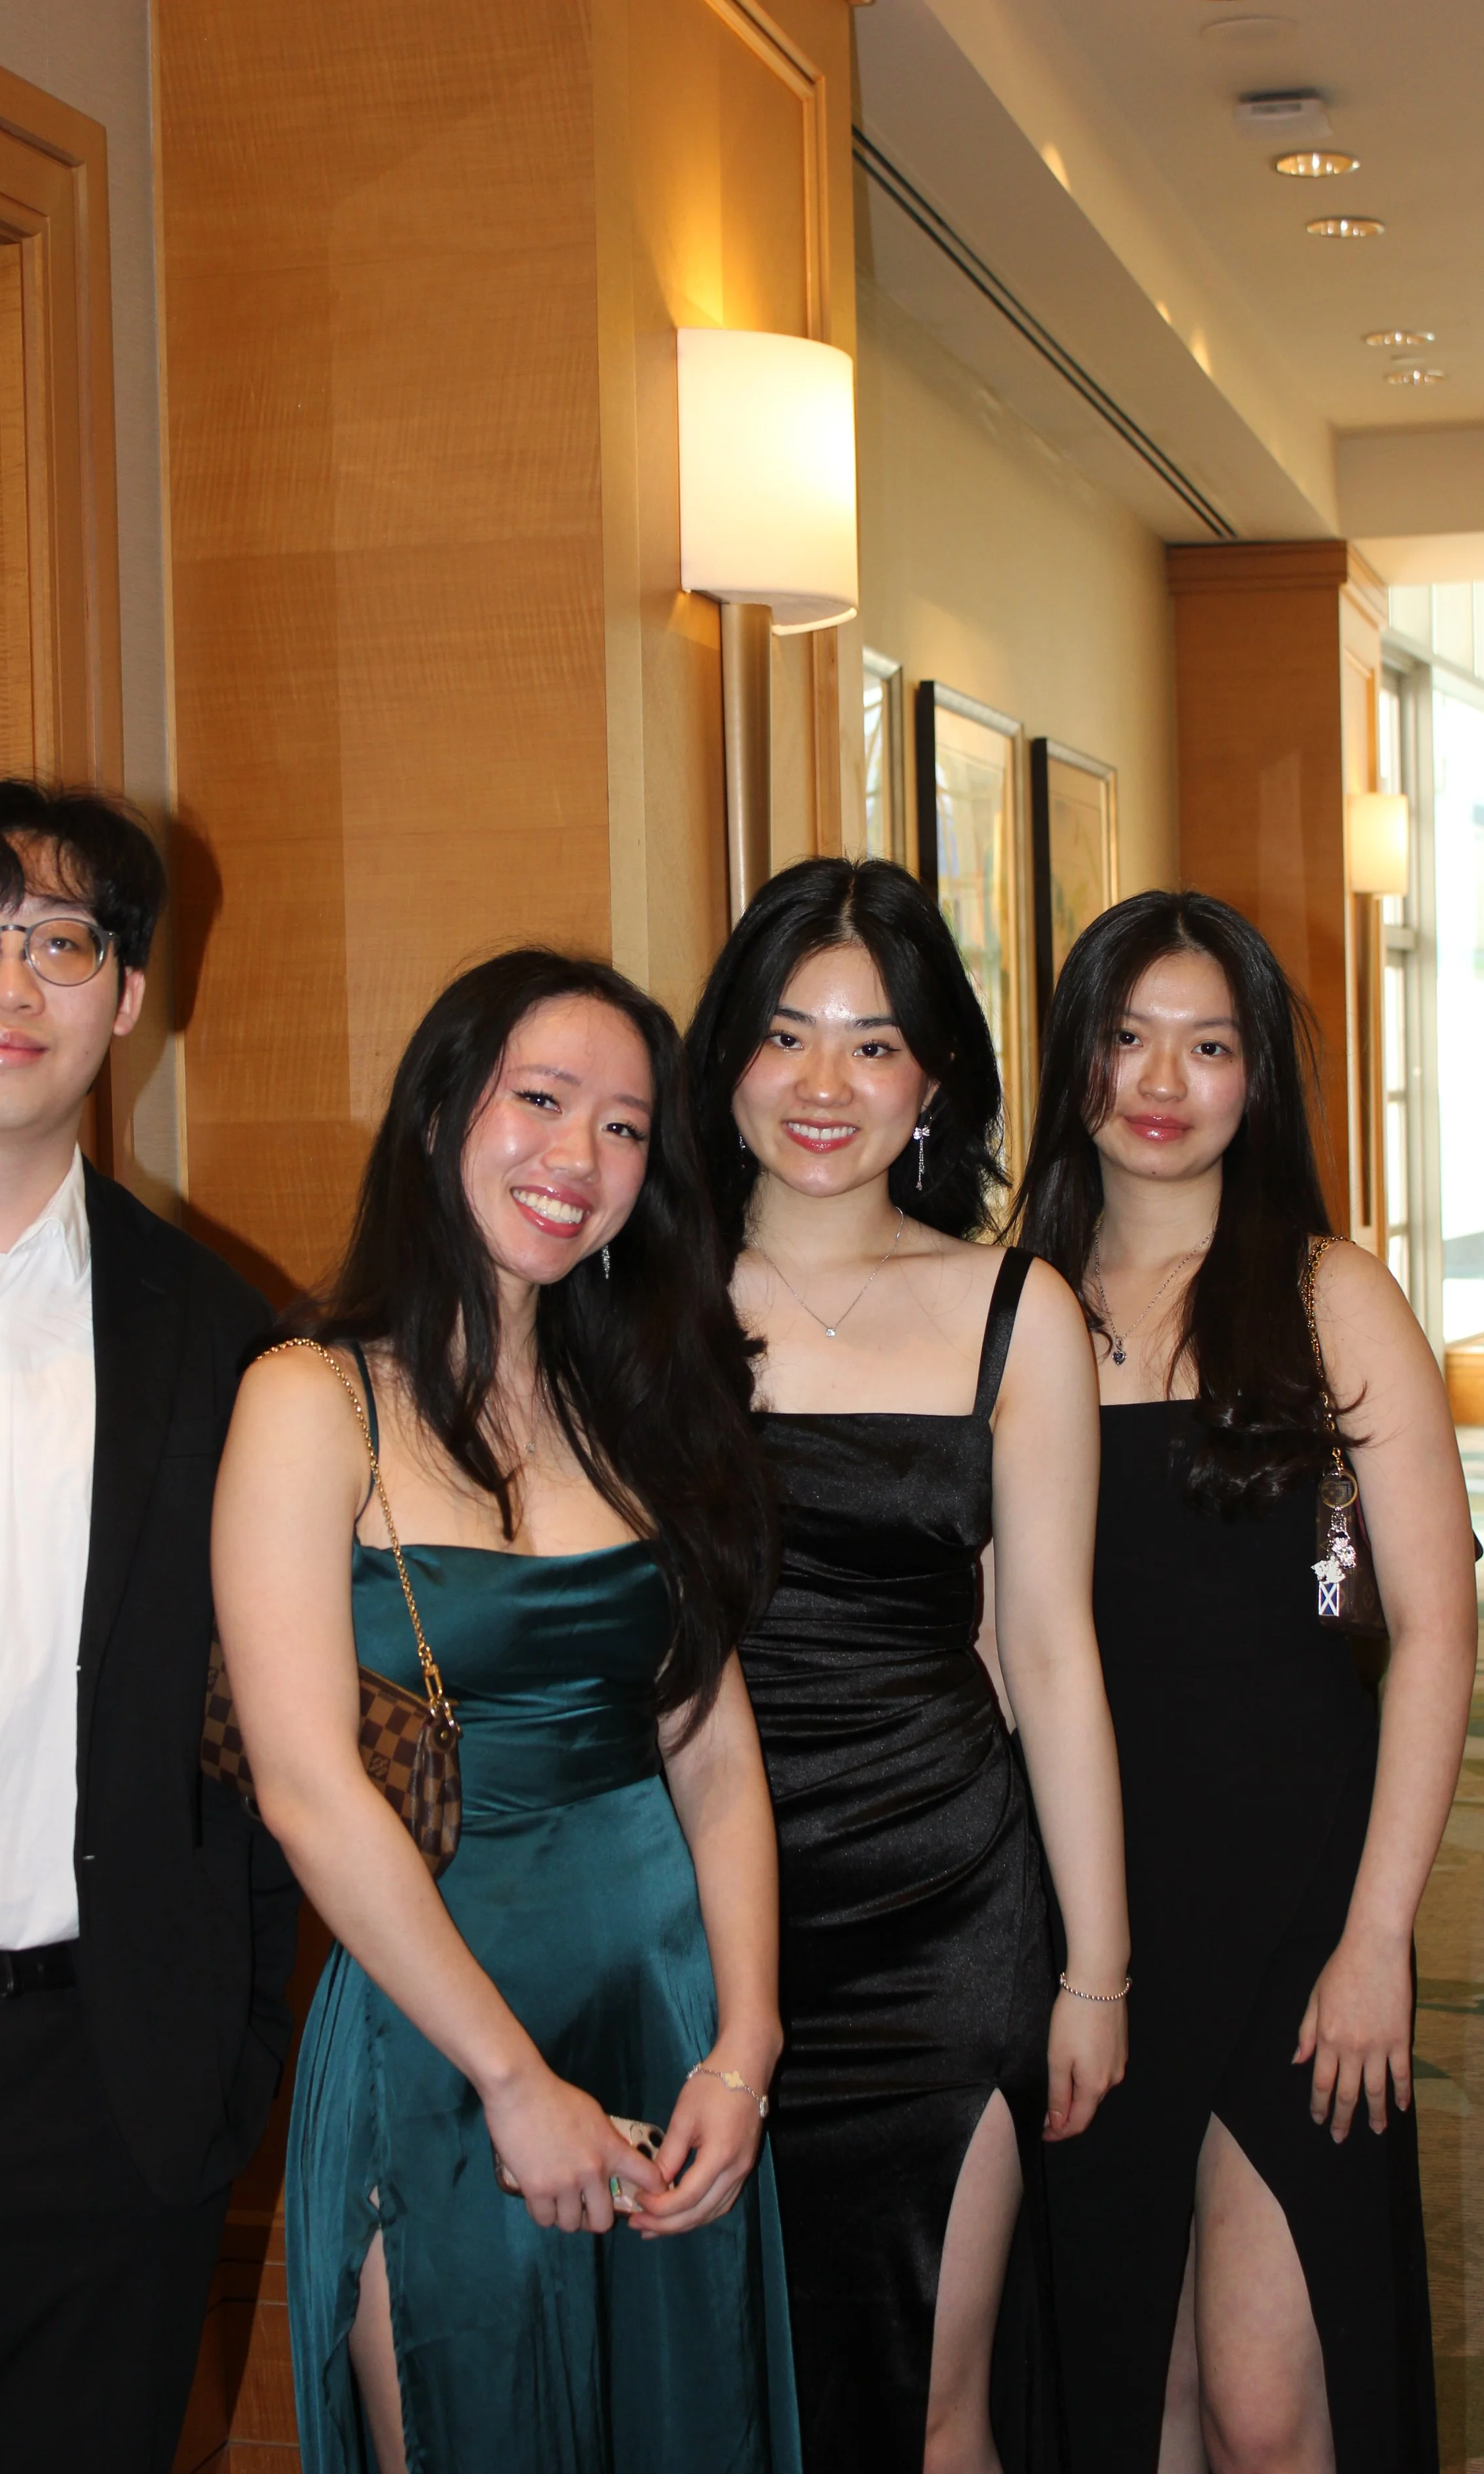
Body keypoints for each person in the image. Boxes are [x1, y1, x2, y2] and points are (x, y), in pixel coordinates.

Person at [213, 948, 800, 2474]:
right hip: (443, 2027)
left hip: (666, 2008)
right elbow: (305, 1786)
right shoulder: (309, 1397)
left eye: (623, 1127)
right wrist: (512, 2082)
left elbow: (711, 1757)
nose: (577, 1158)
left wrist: (742, 2047)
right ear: (436, 1116)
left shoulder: (637, 1403)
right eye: (539, 1100)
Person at [0, 780, 299, 2473]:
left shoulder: (229, 1339)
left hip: (100, 2110)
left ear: (128, 996)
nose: (12, 983)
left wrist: (218, 2069)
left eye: (63, 943)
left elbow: (258, 1741)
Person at [1014, 890, 1475, 2474]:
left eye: (1206, 1046)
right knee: (1127, 2391)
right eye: (1126, 1038)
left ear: (1254, 1076)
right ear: (1074, 1059)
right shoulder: (1015, 1308)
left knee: (1271, 2408)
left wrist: (1376, 1938)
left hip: (1299, 1905)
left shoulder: (1327, 1294)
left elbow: (1431, 1631)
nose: (1161, 1081)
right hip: (1088, 1908)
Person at [685, 856, 1130, 2474]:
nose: (823, 1085)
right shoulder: (631, 1296)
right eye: (785, 1035)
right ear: (725, 1059)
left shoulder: (1015, 1307)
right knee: (712, 2406)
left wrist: (1095, 1970)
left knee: (934, 2409)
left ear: (932, 1079)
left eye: (872, 1045)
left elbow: (1048, 1652)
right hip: (679, 1916)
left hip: (944, 1918)